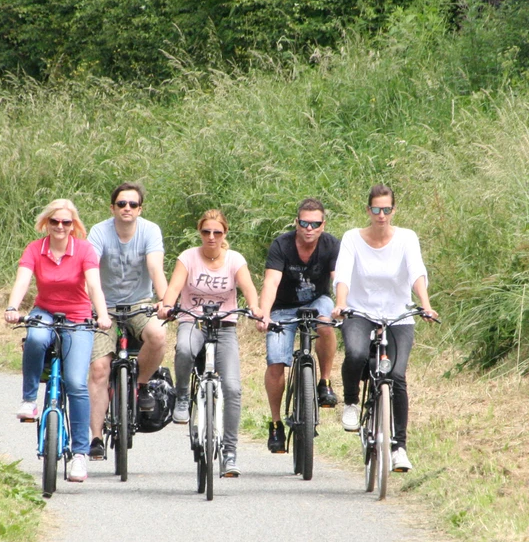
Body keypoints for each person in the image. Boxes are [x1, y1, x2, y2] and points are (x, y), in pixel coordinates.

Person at [4, 199, 111, 483]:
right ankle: (29, 400)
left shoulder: (85, 250)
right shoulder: (34, 249)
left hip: (78, 316)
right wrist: (13, 308)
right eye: (55, 222)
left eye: (66, 222)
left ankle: (79, 454)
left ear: (74, 225)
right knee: (36, 339)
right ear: (46, 224)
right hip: (45, 311)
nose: (60, 227)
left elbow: (94, 286)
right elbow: (23, 281)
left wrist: (101, 315)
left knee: (76, 382)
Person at [332, 185, 437, 472]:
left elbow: (416, 271)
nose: (381, 215)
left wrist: (425, 304)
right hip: (360, 312)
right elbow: (343, 273)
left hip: (397, 316)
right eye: (376, 209)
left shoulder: (406, 238)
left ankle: (399, 448)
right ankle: (352, 402)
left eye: (386, 210)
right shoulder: (353, 238)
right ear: (368, 210)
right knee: (354, 354)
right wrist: (341, 304)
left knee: (397, 375)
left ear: (394, 210)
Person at [158, 209, 262, 478]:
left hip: (225, 325)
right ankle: (181, 396)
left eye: (217, 232)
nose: (211, 237)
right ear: (200, 233)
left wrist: (255, 308)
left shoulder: (234, 259)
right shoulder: (188, 258)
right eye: (206, 232)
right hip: (192, 320)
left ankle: (230, 452)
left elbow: (248, 287)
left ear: (225, 233)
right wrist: (168, 305)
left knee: (233, 388)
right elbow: (174, 286)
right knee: (183, 349)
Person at [86, 183, 169, 460]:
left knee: (158, 335)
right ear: (112, 208)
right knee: (99, 368)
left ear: (140, 209)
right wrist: (100, 311)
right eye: (121, 204)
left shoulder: (150, 230)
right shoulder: (99, 231)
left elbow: (156, 267)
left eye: (132, 204)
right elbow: (91, 270)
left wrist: (165, 301)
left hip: (140, 304)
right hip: (104, 305)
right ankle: (96, 437)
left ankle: (141, 385)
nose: (127, 209)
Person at [256, 198, 340, 454]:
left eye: (315, 224)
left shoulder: (332, 245)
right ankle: (276, 423)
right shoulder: (282, 244)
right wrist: (264, 314)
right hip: (283, 306)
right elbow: (271, 282)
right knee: (276, 360)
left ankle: (324, 382)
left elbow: (338, 280)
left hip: (318, 301)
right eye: (304, 223)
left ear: (323, 225)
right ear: (297, 223)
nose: (309, 228)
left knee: (325, 324)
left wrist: (344, 306)